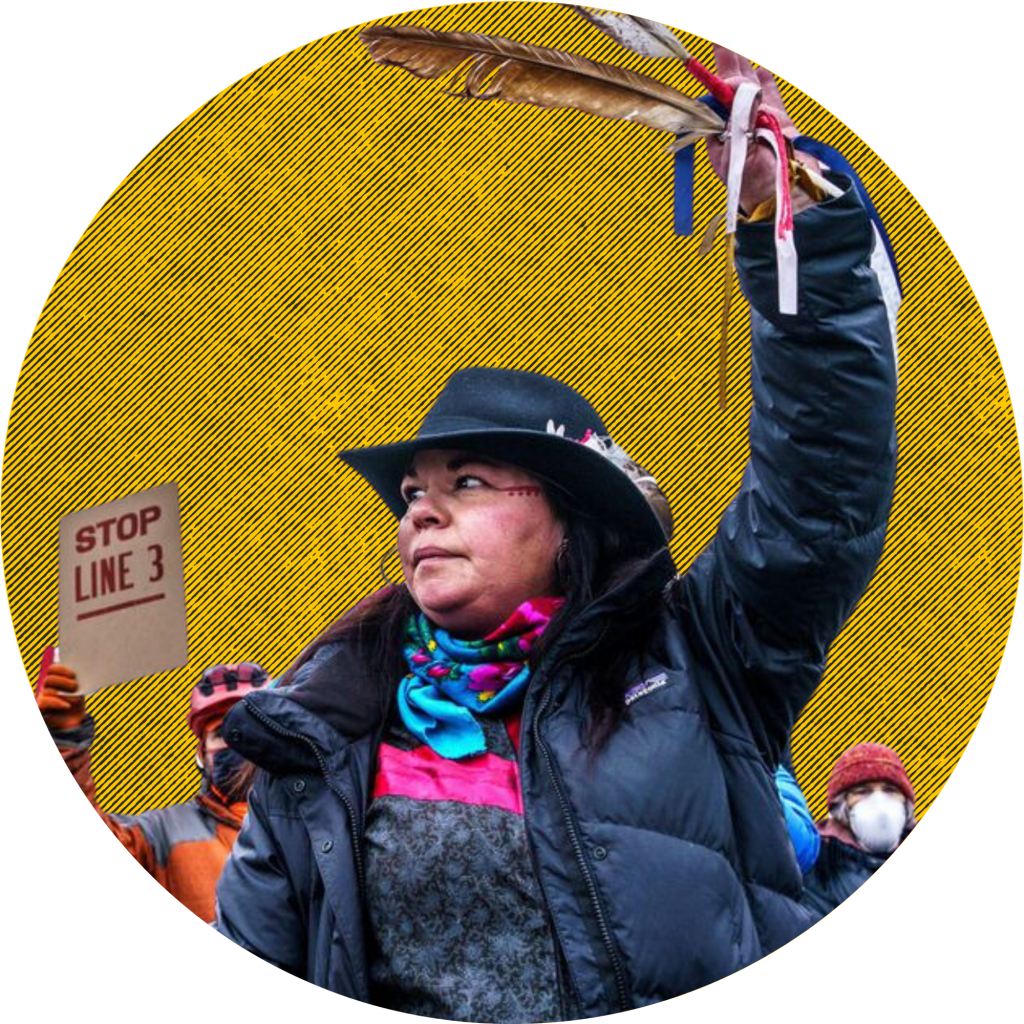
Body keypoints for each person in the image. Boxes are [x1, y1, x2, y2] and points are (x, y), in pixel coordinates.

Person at [213, 46, 899, 1019]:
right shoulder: (316, 734)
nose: (420, 507)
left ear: (575, 522)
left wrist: (789, 216)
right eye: (413, 489)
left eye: (471, 480)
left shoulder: (704, 666)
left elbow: (820, 492)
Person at [36, 658, 270, 923]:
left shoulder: (314, 823)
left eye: (250, 732)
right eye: (221, 733)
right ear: (200, 754)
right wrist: (65, 742)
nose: (237, 743)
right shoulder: (160, 834)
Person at [802, 742, 915, 916]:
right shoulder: (814, 865)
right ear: (842, 807)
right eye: (863, 791)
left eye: (890, 790)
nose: (880, 803)